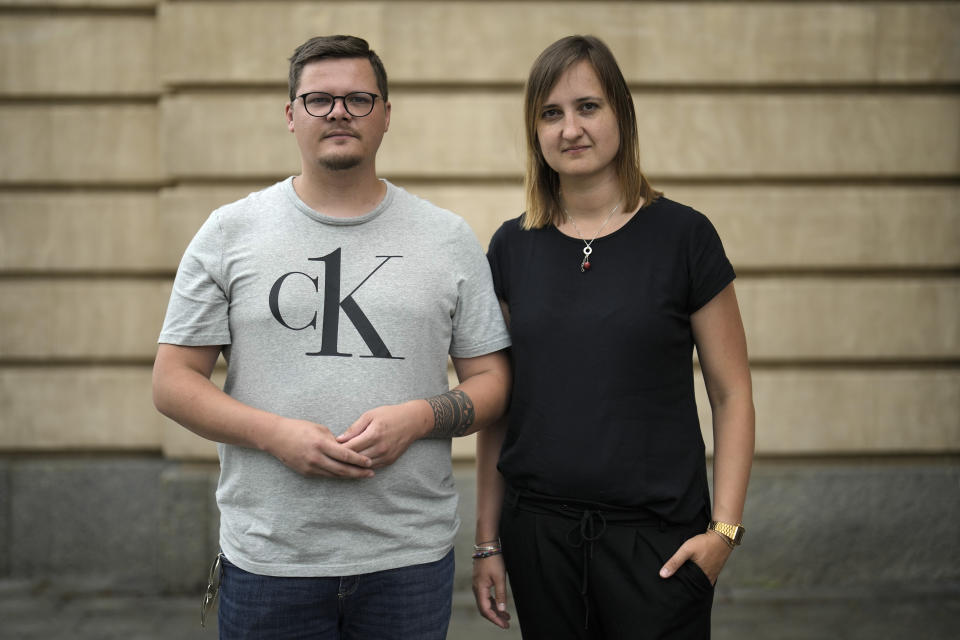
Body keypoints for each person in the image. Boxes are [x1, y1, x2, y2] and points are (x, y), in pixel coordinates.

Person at [152, 35, 511, 639]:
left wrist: (420, 417)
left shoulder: (446, 238)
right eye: (318, 99)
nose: (339, 112)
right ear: (291, 115)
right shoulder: (229, 232)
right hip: (270, 560)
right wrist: (275, 434)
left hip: (407, 560)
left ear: (387, 115)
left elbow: (495, 383)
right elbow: (172, 382)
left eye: (358, 99)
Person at [472, 35, 755, 639]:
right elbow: (499, 407)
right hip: (539, 539)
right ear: (535, 132)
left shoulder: (685, 237)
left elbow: (732, 394)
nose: (569, 128)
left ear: (622, 114)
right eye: (550, 113)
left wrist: (724, 532)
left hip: (658, 544)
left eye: (587, 107)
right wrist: (487, 542)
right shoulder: (510, 247)